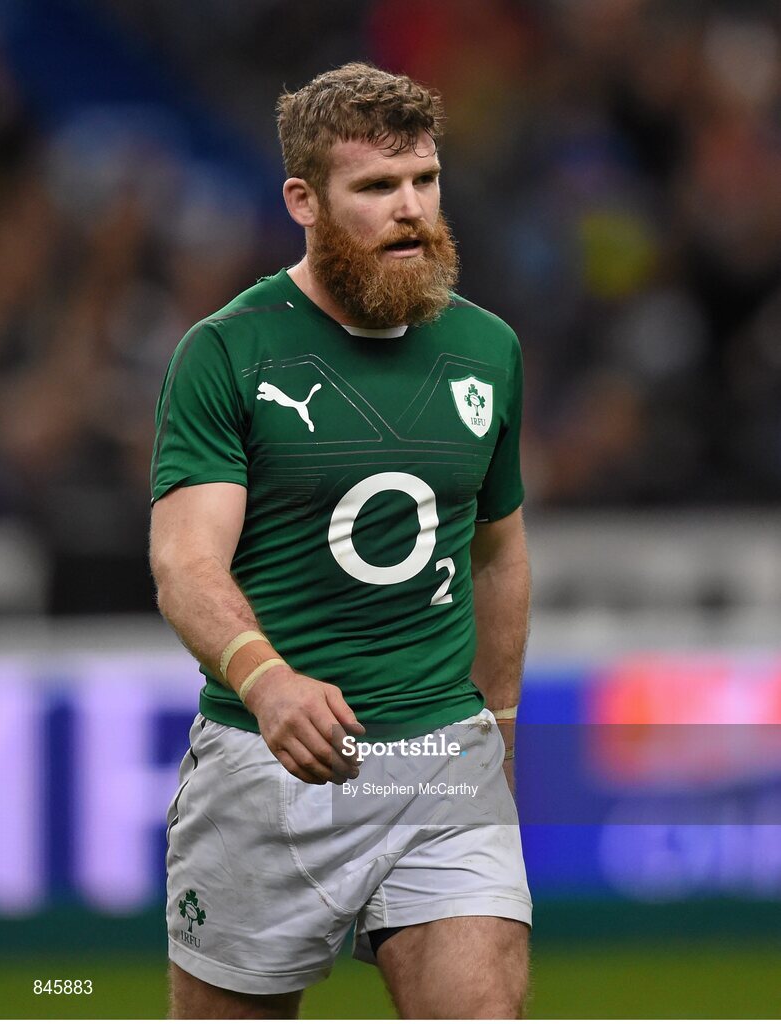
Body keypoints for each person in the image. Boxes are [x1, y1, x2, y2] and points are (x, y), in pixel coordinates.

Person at [150, 62, 532, 1020]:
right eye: (376, 188)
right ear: (304, 201)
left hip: (443, 759)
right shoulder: (227, 352)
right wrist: (267, 679)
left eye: (424, 181)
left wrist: (505, 725)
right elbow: (184, 561)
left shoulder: (489, 349)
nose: (411, 209)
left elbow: (499, 550)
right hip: (267, 765)